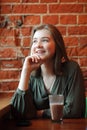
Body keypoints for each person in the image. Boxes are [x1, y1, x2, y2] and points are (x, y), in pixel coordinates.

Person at [11, 24, 85, 119]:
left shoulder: (72, 69)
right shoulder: (31, 75)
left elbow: (74, 111)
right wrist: (25, 72)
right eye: (34, 41)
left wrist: (40, 113)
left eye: (45, 40)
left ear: (57, 45)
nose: (38, 45)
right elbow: (18, 112)